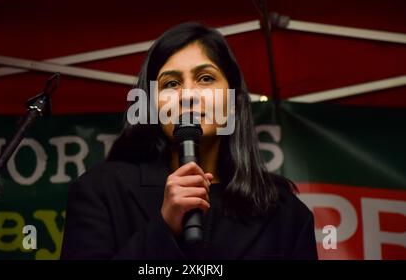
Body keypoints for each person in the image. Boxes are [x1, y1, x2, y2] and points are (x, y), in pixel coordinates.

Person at [60, 22, 318, 260]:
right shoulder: (103, 191)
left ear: (232, 103)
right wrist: (163, 229)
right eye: (171, 83)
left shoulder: (283, 212)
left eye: (205, 78)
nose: (187, 96)